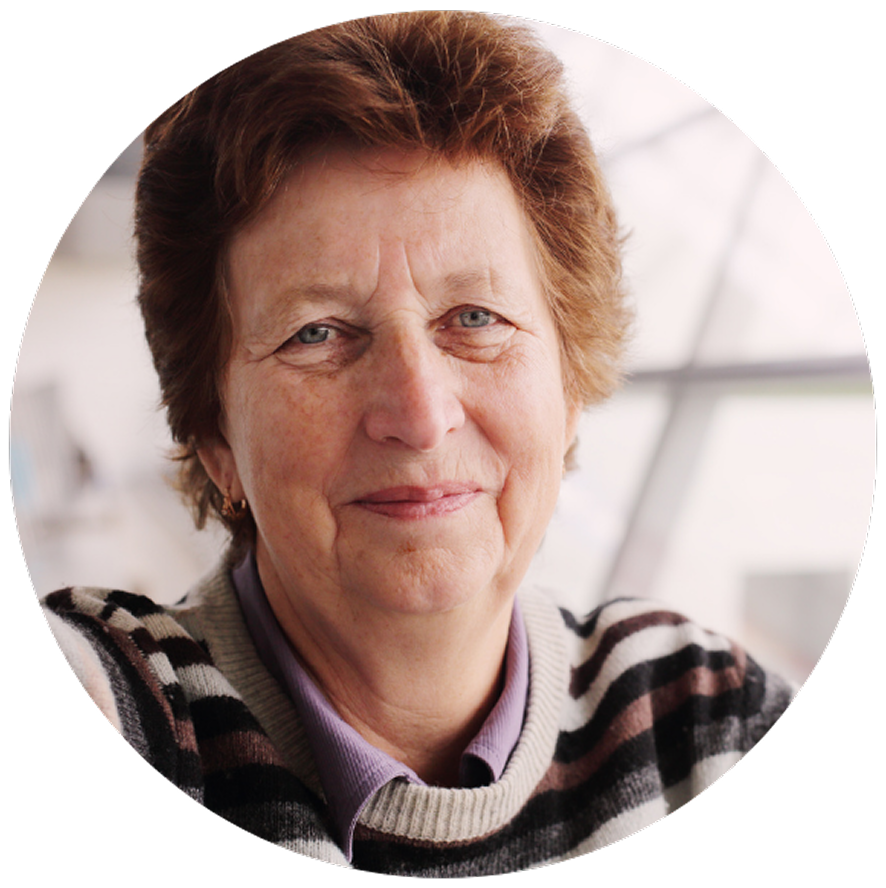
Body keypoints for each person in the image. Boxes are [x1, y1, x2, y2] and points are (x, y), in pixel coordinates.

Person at [40, 12, 794, 876]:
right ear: (215, 436)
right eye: (318, 334)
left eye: (475, 318)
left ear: (569, 386)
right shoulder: (135, 708)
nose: (420, 413)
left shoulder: (702, 719)